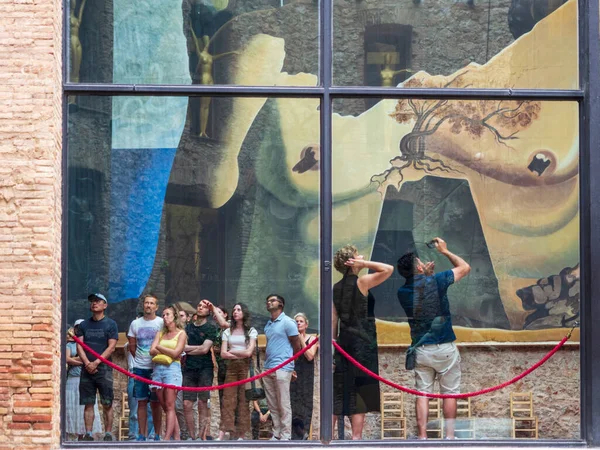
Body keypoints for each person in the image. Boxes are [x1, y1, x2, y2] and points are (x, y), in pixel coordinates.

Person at [396, 237, 471, 440]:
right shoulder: (436, 281)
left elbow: (420, 294)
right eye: (419, 262)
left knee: (423, 393)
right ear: (419, 267)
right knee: (450, 393)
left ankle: (422, 437)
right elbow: (464, 267)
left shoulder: (401, 292)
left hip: (421, 350)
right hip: (445, 347)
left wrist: (425, 275)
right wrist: (445, 251)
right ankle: (449, 436)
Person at [332, 246, 394, 440]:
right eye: (357, 256)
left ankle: (329, 435)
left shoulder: (336, 287)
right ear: (351, 262)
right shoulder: (362, 281)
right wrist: (364, 264)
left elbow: (334, 319)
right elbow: (388, 269)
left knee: (342, 387)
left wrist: (334, 345)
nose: (361, 257)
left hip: (344, 344)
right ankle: (356, 437)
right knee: (359, 390)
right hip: (362, 344)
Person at [75, 293, 119, 441]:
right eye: (92, 301)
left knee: (107, 402)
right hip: (86, 369)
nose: (94, 303)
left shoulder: (111, 324)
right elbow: (79, 345)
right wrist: (87, 363)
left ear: (105, 305)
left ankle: (107, 433)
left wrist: (96, 362)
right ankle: (88, 433)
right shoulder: (83, 325)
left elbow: (111, 347)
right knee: (88, 403)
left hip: (104, 369)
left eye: (98, 301)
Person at [263, 294, 302, 441]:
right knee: (272, 404)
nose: (269, 302)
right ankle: (277, 433)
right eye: (268, 301)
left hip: (283, 367)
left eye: (272, 300)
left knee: (284, 403)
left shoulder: (288, 322)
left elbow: (296, 344)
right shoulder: (268, 324)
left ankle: (286, 435)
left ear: (281, 304)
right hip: (268, 367)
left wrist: (291, 363)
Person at [127, 294, 164, 441]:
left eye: (151, 303)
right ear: (143, 305)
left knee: (156, 403)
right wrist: (141, 359)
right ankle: (141, 435)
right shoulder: (135, 324)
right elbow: (132, 345)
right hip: (140, 368)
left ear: (156, 306)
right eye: (146, 303)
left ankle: (156, 435)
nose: (148, 305)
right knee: (141, 402)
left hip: (157, 368)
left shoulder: (161, 323)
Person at [220, 303, 258, 440]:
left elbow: (249, 352)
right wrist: (237, 353)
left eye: (239, 309)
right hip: (231, 367)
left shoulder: (251, 331)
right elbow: (223, 354)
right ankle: (223, 432)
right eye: (234, 309)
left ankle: (241, 434)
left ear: (244, 313)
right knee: (228, 399)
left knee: (243, 400)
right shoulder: (227, 331)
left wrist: (233, 351)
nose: (235, 312)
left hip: (245, 367)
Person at [149, 305, 188, 441]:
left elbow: (177, 353)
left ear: (174, 317)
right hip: (158, 370)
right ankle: (176, 437)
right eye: (163, 314)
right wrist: (166, 350)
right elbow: (151, 351)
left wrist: (159, 346)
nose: (164, 317)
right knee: (165, 406)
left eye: (167, 314)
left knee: (170, 405)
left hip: (172, 370)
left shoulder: (181, 333)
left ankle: (166, 438)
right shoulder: (160, 333)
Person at [182, 300, 216, 440]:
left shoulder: (211, 328)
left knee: (203, 402)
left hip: (205, 368)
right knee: (187, 403)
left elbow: (205, 349)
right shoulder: (188, 328)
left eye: (204, 307)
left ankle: (202, 436)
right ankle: (192, 436)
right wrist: (196, 348)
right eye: (199, 306)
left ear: (209, 312)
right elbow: (182, 347)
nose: (200, 308)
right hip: (189, 368)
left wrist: (189, 349)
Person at [65, 322, 102, 441]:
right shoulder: (70, 346)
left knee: (85, 407)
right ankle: (71, 436)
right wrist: (84, 361)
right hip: (73, 379)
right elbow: (67, 359)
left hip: (86, 378)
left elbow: (92, 358)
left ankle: (85, 434)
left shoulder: (90, 345)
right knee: (73, 406)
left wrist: (76, 359)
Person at [290, 312, 318, 440]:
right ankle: (295, 435)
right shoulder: (291, 339)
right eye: (296, 321)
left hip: (306, 375)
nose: (298, 323)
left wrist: (301, 338)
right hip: (293, 374)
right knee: (292, 403)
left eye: (301, 321)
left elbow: (310, 356)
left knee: (305, 403)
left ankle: (304, 433)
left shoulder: (312, 339)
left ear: (306, 324)